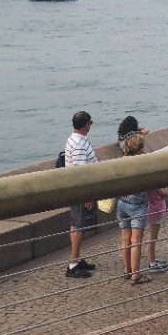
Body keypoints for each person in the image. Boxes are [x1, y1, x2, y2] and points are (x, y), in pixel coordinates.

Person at [64, 110, 98, 279]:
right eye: (90, 123)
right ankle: (73, 263)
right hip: (81, 192)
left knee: (76, 225)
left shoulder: (75, 140)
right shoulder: (78, 144)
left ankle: (76, 260)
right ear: (86, 125)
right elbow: (81, 172)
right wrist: (87, 196)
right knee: (79, 226)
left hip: (75, 190)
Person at [117, 133, 150, 284]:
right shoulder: (141, 162)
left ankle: (127, 269)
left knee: (125, 238)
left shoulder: (121, 161)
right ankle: (136, 275)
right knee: (136, 240)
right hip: (137, 205)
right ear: (139, 148)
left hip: (122, 203)